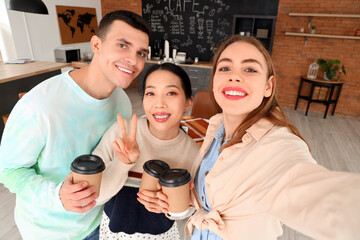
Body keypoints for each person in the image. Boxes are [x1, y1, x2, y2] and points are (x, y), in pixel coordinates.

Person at [145, 36, 360, 240]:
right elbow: (213, 197)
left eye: (249, 69)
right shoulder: (216, 129)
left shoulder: (279, 145)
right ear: (214, 82)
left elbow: (319, 196)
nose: (234, 76)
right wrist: (177, 202)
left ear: (268, 86)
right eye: (225, 68)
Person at [0, 10, 150, 240]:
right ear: (96, 45)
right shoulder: (40, 104)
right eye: (122, 45)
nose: (134, 59)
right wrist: (57, 194)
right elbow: (9, 170)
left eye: (141, 52)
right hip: (47, 232)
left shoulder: (122, 101)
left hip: (100, 221)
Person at [92, 63, 200, 240]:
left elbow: (189, 213)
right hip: (113, 234)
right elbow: (96, 196)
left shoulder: (194, 154)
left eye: (171, 93)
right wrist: (123, 163)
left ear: (188, 102)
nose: (159, 103)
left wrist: (169, 208)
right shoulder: (121, 133)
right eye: (151, 93)